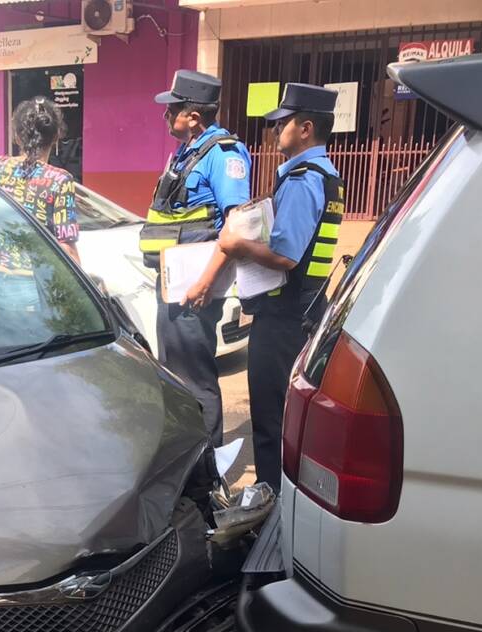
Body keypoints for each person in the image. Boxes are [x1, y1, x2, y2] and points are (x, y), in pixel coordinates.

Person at [219, 83, 346, 487]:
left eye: (282, 124)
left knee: (272, 422)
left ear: (305, 128)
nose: (274, 132)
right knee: (296, 421)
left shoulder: (302, 180)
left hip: (283, 319)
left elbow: (286, 257)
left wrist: (238, 244)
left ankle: (271, 506)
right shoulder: (328, 176)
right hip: (306, 312)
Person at [145, 70, 251, 449]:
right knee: (176, 376)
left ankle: (208, 472)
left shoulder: (224, 155)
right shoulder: (189, 152)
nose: (165, 116)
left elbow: (235, 227)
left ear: (193, 115)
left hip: (196, 288)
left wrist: (206, 282)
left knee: (197, 380)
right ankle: (187, 460)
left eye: (171, 110)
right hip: (175, 285)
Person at [0, 93, 81, 311]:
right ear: (56, 136)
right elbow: (66, 247)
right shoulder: (59, 180)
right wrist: (84, 294)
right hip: (35, 290)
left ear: (17, 137)